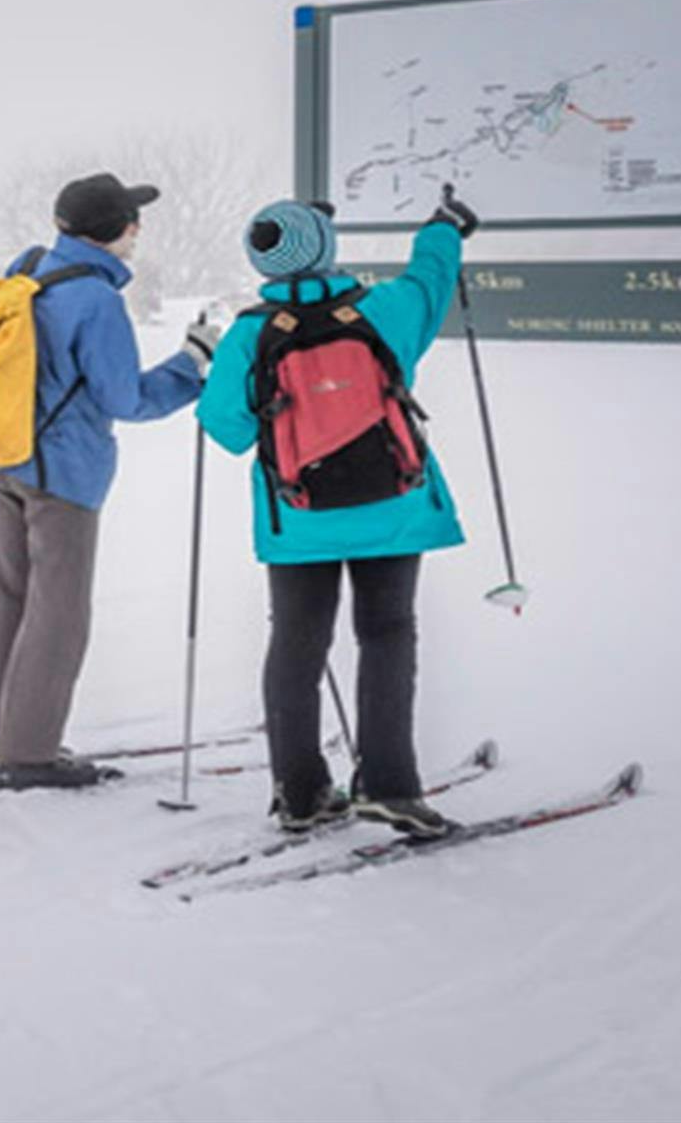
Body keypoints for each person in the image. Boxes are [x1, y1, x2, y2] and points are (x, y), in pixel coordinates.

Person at [195, 191, 478, 839]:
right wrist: (443, 228)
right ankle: (390, 786)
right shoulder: (384, 312)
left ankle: (300, 793)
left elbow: (227, 428)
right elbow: (430, 281)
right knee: (386, 633)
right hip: (393, 505)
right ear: (326, 247)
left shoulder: (249, 335)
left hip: (299, 521)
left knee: (296, 645)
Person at [0, 172, 214, 791]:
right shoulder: (95, 301)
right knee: (58, 613)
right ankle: (31, 756)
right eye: (133, 219)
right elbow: (126, 398)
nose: (139, 228)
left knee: (7, 594)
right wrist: (192, 362)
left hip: (4, 458)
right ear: (118, 231)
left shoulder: (31, 269)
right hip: (62, 476)